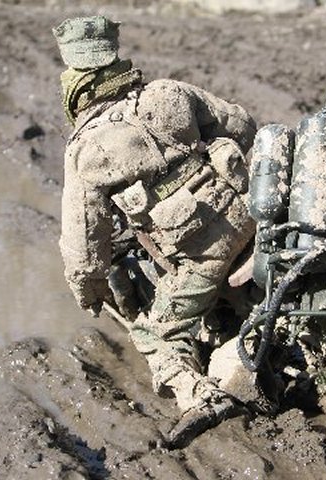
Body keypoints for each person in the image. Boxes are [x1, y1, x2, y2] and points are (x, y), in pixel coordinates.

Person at [53, 15, 257, 446]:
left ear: (75, 86)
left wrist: (89, 291)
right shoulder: (169, 92)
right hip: (254, 215)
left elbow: (84, 249)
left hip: (204, 258)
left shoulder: (86, 150)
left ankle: (199, 396)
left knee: (155, 331)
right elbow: (241, 124)